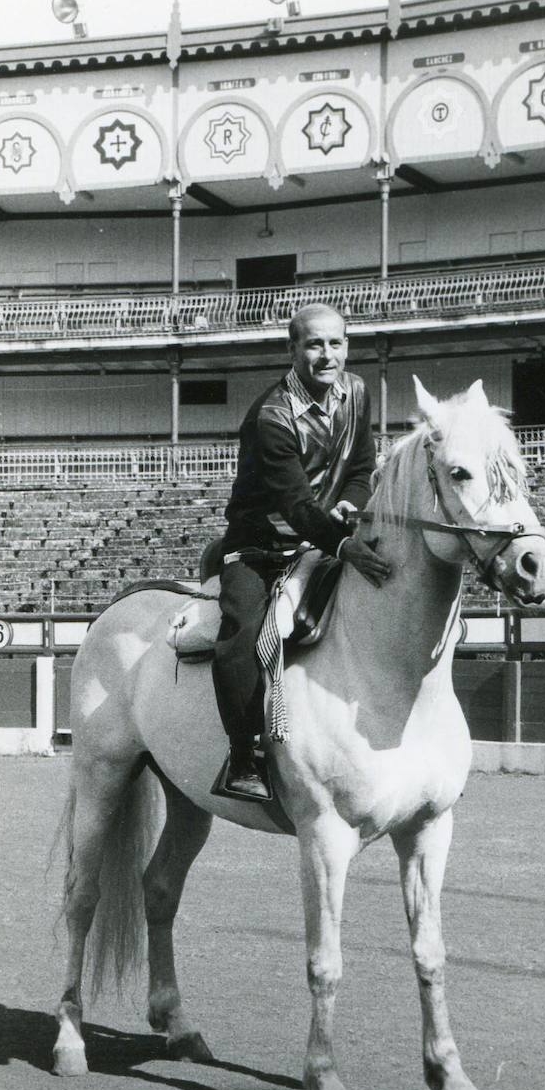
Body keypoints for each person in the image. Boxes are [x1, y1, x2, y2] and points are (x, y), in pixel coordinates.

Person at [212, 302, 390, 800]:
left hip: (325, 535)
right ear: (293, 350)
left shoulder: (357, 391)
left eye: (335, 343)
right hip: (261, 546)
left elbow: (361, 465)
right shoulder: (271, 416)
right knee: (244, 633)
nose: (326, 354)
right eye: (314, 344)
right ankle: (243, 755)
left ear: (347, 346)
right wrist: (345, 543)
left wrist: (351, 507)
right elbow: (293, 505)